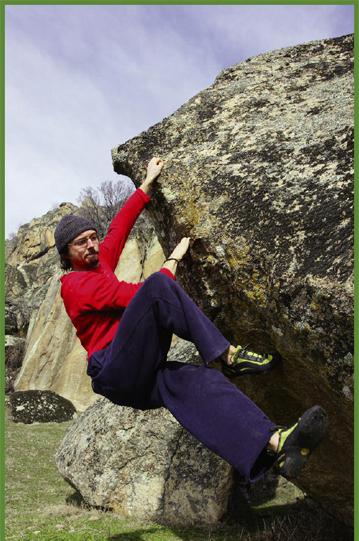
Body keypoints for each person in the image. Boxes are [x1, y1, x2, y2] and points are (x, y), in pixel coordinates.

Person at [55, 157, 328, 483]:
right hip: (115, 369)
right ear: (66, 253)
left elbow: (119, 226)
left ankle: (276, 446)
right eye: (81, 242)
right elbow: (137, 296)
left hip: (142, 372)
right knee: (157, 286)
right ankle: (229, 355)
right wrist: (173, 259)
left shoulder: (99, 258)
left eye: (92, 237)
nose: (91, 244)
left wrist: (147, 183)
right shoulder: (74, 285)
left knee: (201, 383)